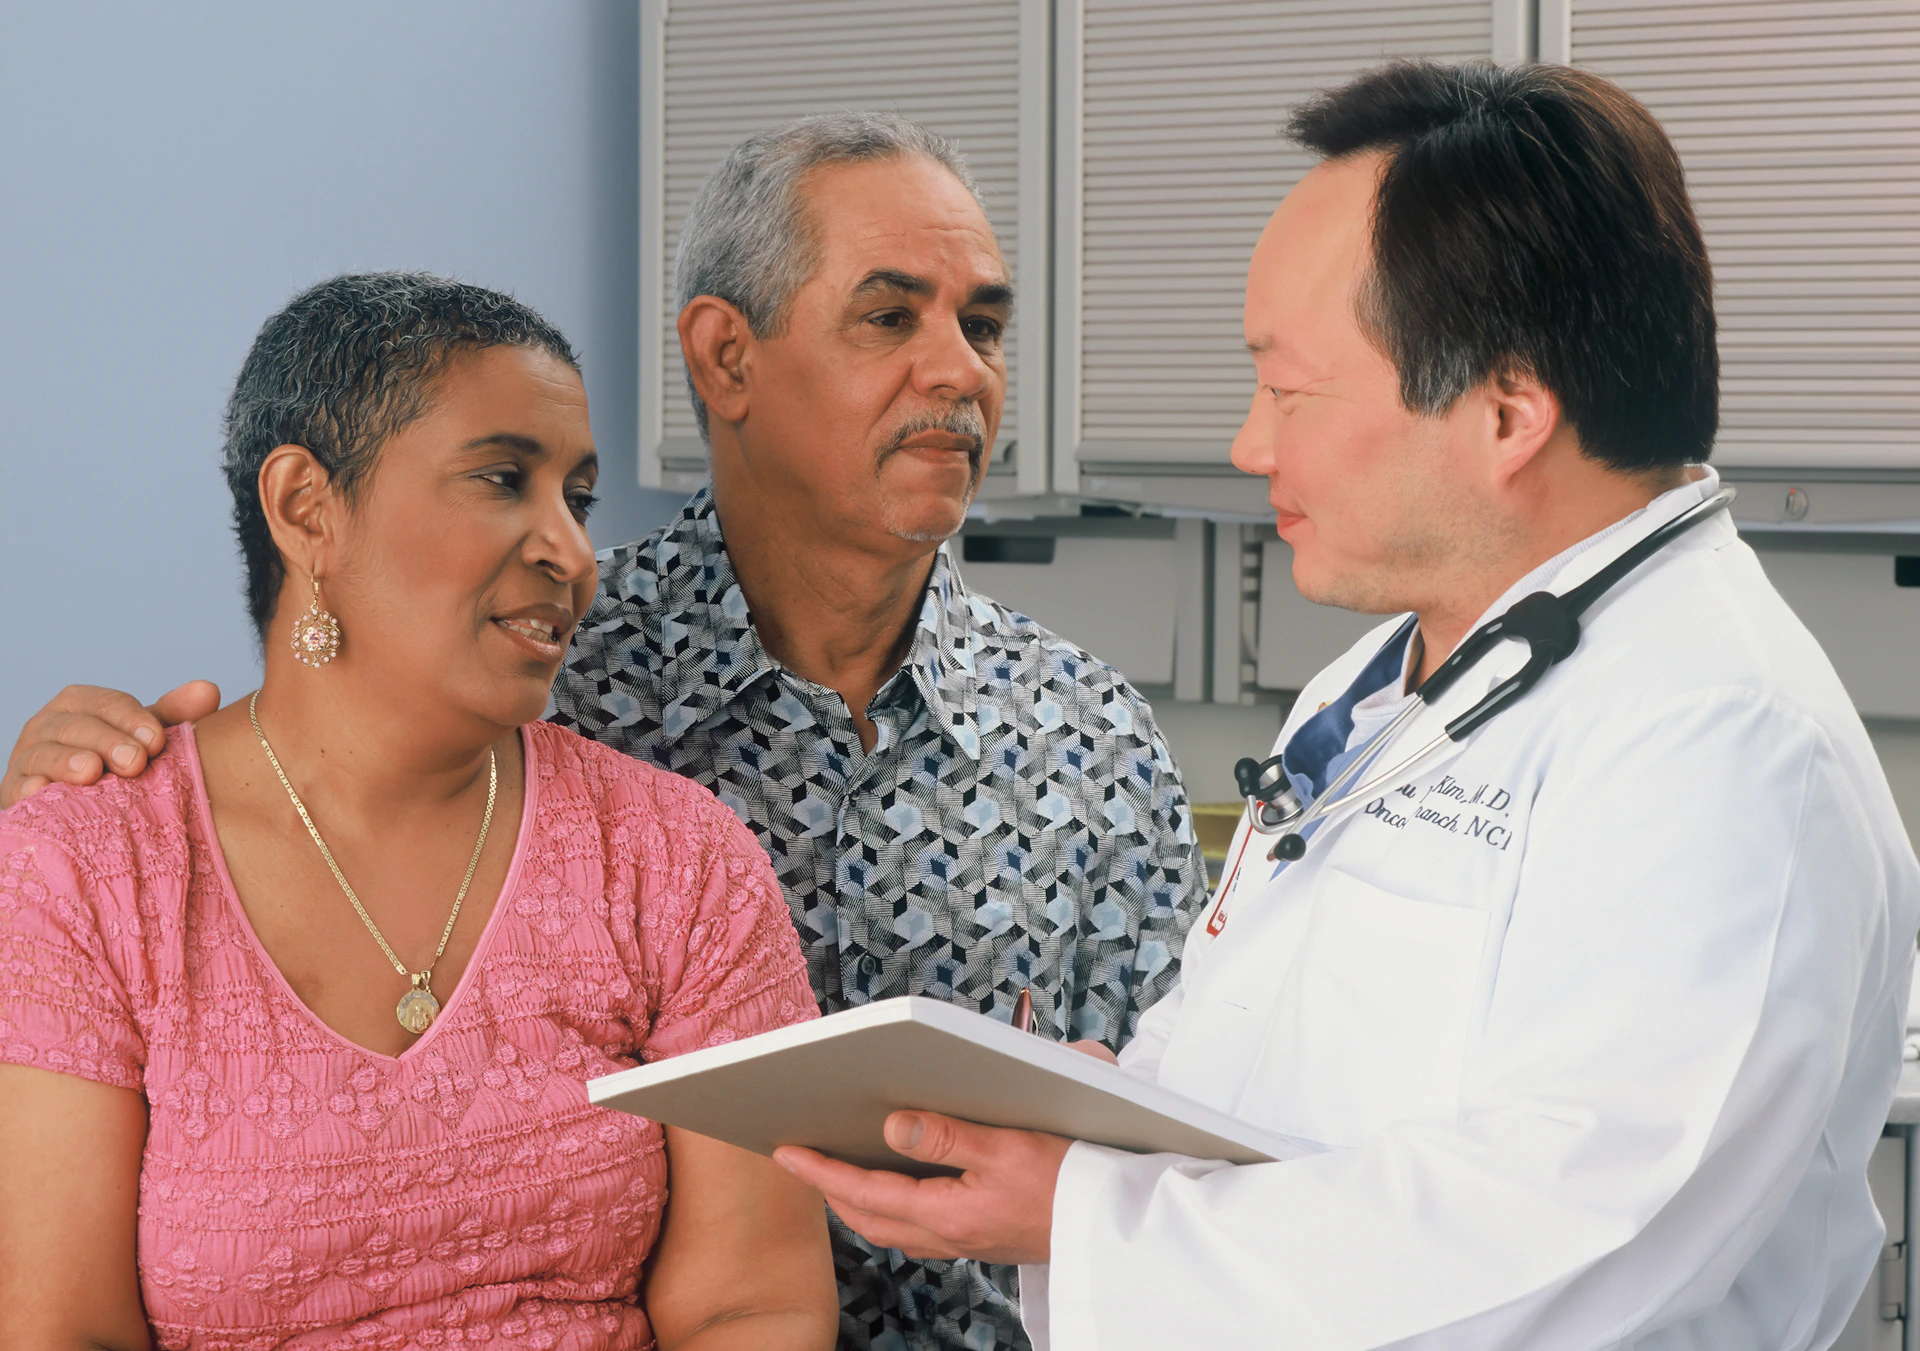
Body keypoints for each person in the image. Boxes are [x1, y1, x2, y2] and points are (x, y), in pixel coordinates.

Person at [0, 114, 1206, 1351]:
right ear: (725, 359)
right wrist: (69, 817)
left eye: (986, 327)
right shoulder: (532, 666)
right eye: (891, 316)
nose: (961, 370)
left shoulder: (1089, 738)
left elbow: (1200, 1144)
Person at [772, 61, 1920, 1349]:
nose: (1250, 444)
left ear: (1507, 412)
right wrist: (1107, 1113)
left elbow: (1583, 1236)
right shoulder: (1384, 680)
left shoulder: (1722, 740)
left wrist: (1088, 1213)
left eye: (1291, 389)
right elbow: (1288, 1047)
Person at [0, 274, 837, 1351]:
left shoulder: (676, 859)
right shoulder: (86, 869)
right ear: (307, 507)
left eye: (576, 500)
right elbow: (60, 1328)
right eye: (501, 480)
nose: (573, 554)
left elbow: (753, 1304)